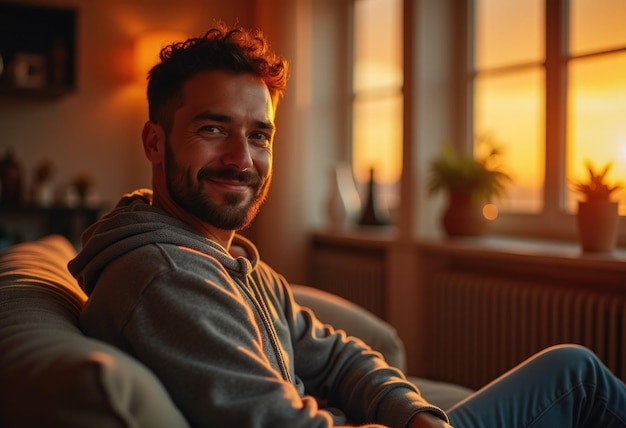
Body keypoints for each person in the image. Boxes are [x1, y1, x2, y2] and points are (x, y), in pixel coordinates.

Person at [68, 24, 626, 428]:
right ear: (154, 142)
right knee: (574, 375)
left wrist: (413, 417)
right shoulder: (168, 274)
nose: (242, 158)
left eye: (259, 135)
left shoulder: (223, 257)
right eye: (214, 129)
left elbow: (336, 355)